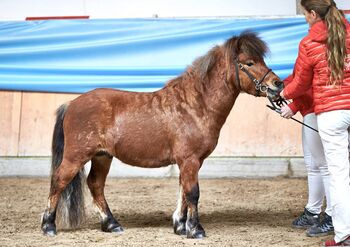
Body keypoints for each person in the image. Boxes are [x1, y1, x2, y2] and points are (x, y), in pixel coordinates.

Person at [280, 0, 350, 245]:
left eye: (304, 15)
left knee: (338, 175)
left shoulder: (309, 43)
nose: (305, 19)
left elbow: (300, 82)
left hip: (331, 113)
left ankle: (343, 235)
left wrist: (285, 93)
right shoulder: (348, 33)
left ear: (312, 14)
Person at [280, 75, 333, 237]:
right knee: (314, 166)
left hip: (318, 110)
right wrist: (281, 86)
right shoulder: (307, 51)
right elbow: (299, 75)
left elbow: (308, 81)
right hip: (311, 111)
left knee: (325, 166)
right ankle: (313, 211)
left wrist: (293, 103)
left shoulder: (312, 50)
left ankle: (332, 215)